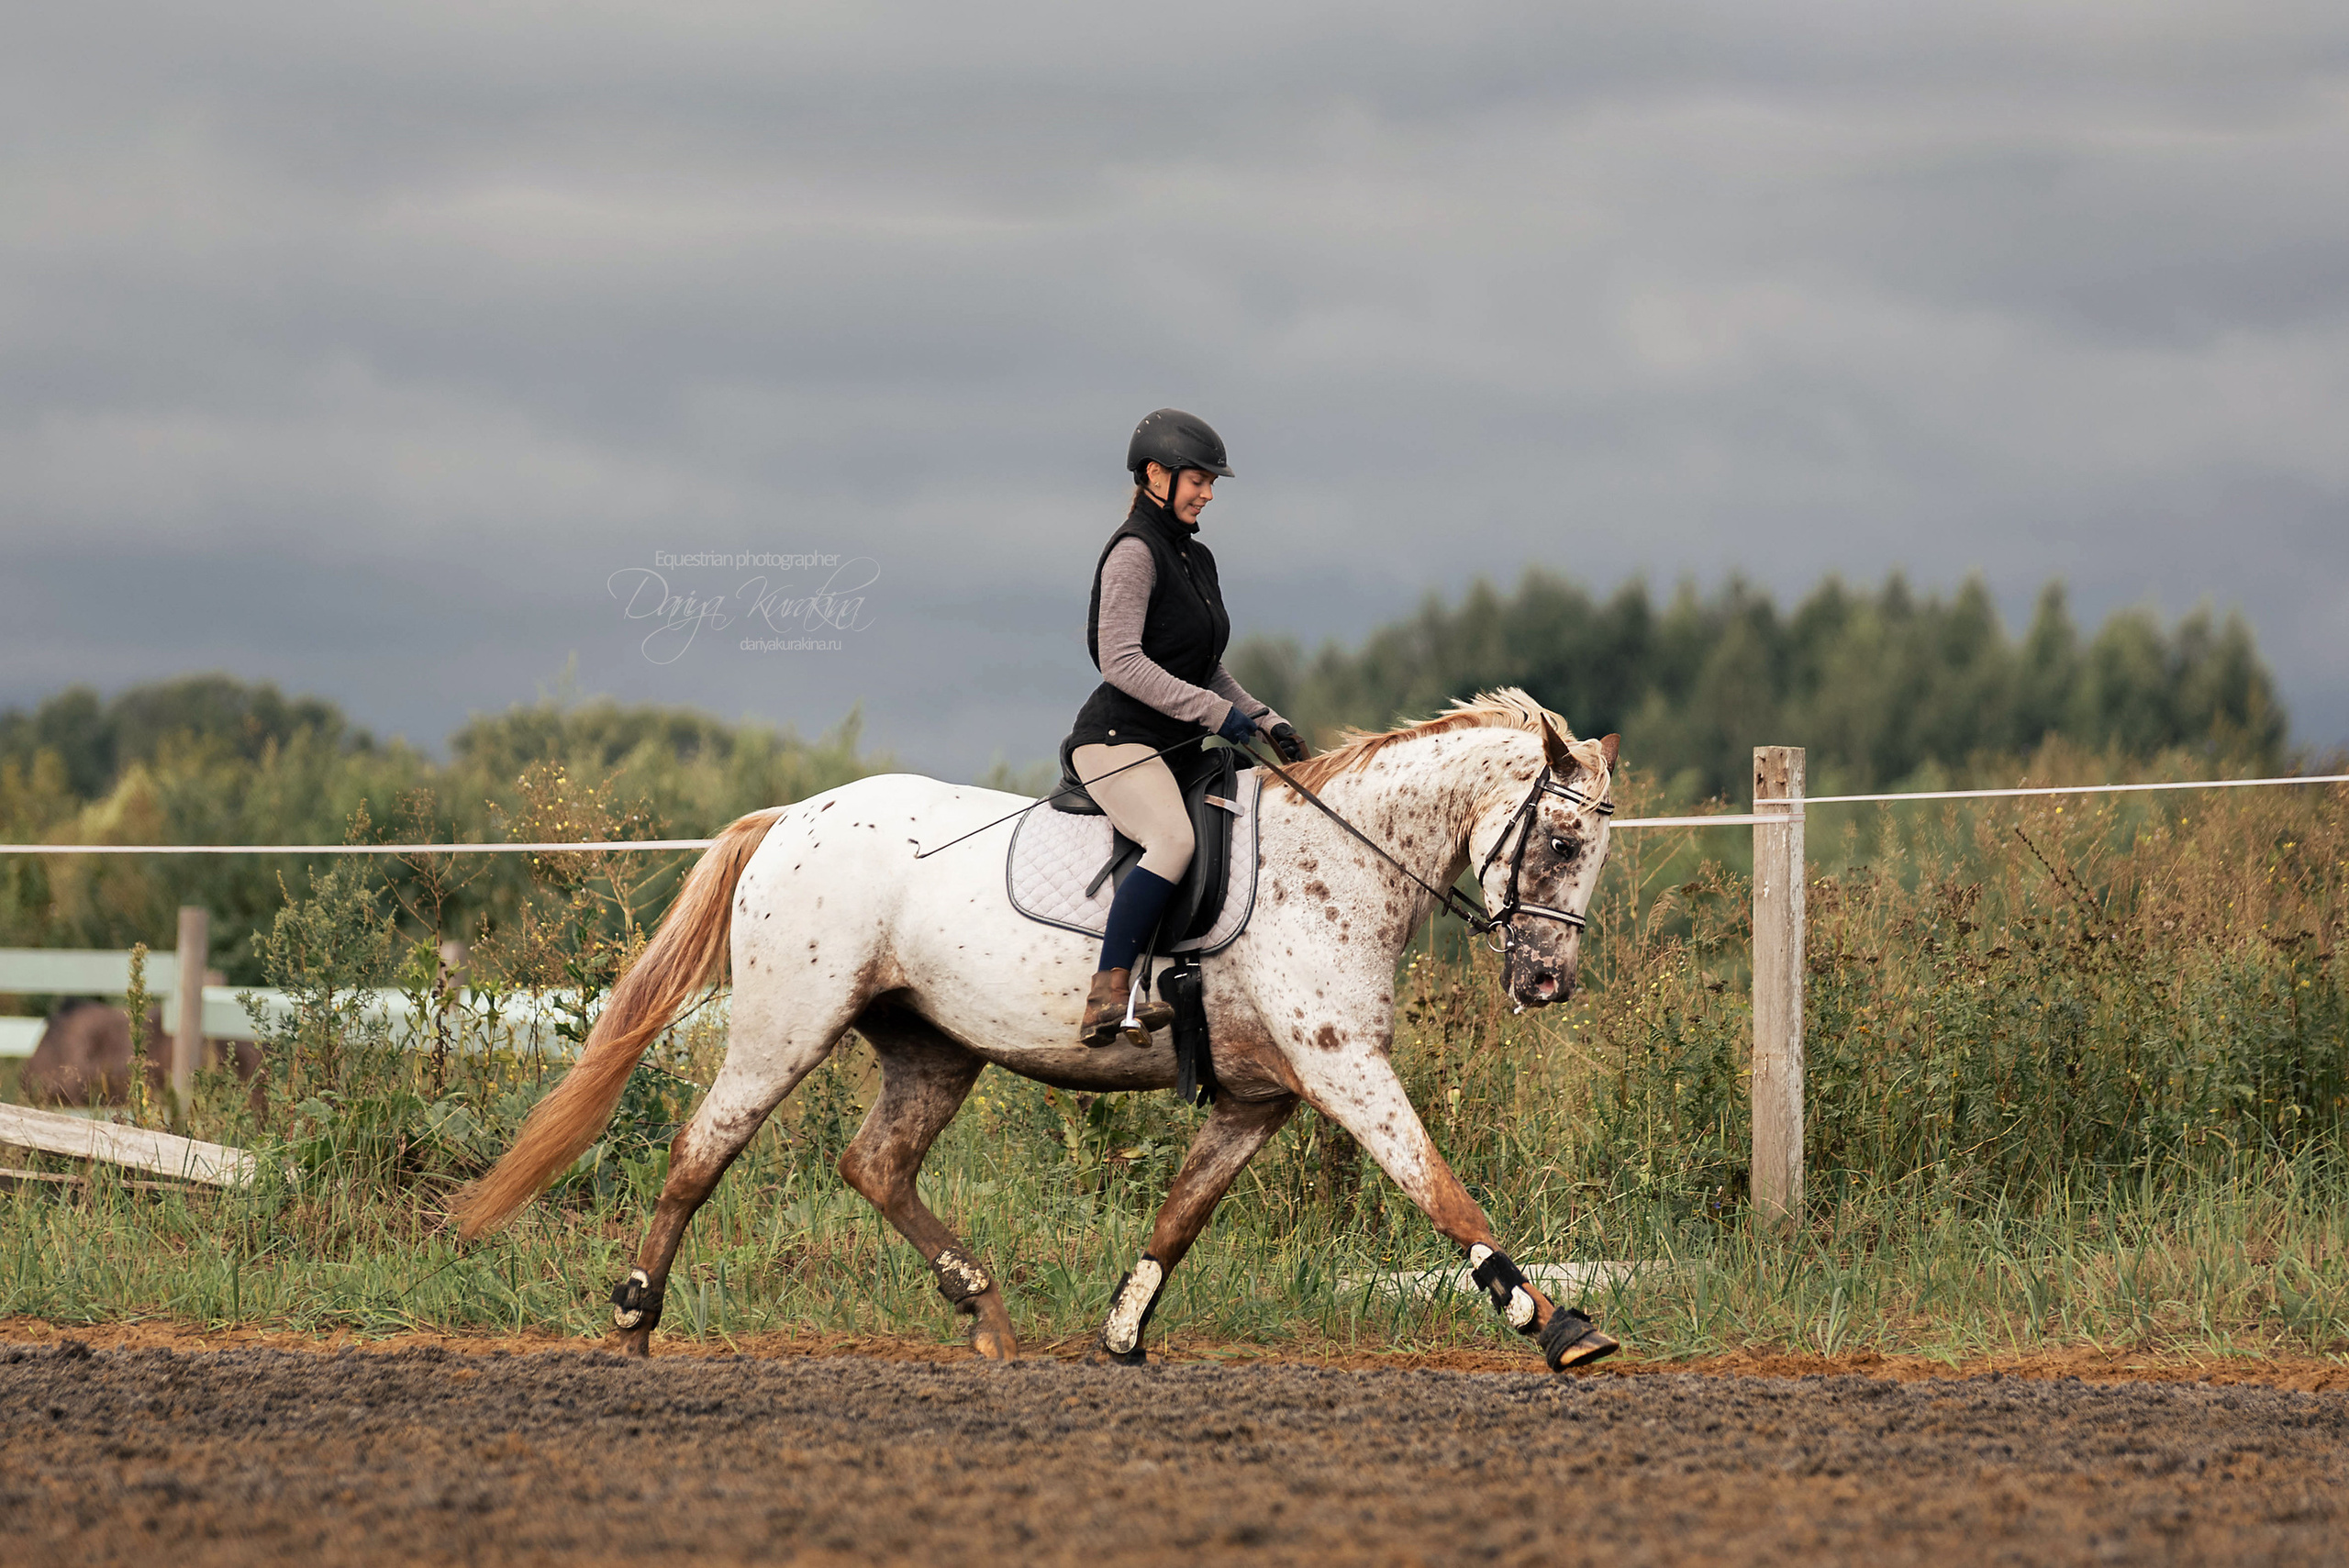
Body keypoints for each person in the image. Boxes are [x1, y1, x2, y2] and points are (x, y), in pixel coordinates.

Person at [1063, 409, 1308, 1047]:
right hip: (1117, 740)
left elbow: (1206, 667)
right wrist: (1211, 713)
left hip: (1172, 744)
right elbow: (1120, 660)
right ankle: (1108, 990)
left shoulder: (1195, 556)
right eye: (1198, 479)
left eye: (1211, 483)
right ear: (1154, 475)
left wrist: (1263, 717)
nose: (1207, 493)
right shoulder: (1135, 552)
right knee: (1172, 840)